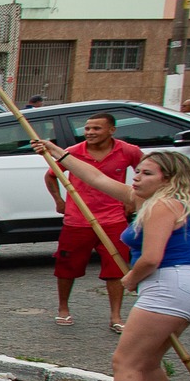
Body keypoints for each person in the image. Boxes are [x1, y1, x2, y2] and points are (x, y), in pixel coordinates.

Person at [32, 142, 190, 381]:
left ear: (168, 179)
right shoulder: (159, 202)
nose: (137, 177)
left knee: (125, 361)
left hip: (170, 285)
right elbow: (97, 179)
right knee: (148, 361)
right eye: (138, 171)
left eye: (147, 173)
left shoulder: (162, 205)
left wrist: (130, 279)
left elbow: (151, 258)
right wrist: (61, 155)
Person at [47, 111, 143, 330]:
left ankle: (116, 317)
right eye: (87, 129)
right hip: (77, 219)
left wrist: (133, 200)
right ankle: (63, 308)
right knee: (66, 266)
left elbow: (144, 173)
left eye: (96, 128)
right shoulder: (72, 152)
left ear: (112, 130)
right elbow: (51, 175)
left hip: (113, 219)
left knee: (117, 268)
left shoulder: (128, 150)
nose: (90, 133)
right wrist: (59, 201)